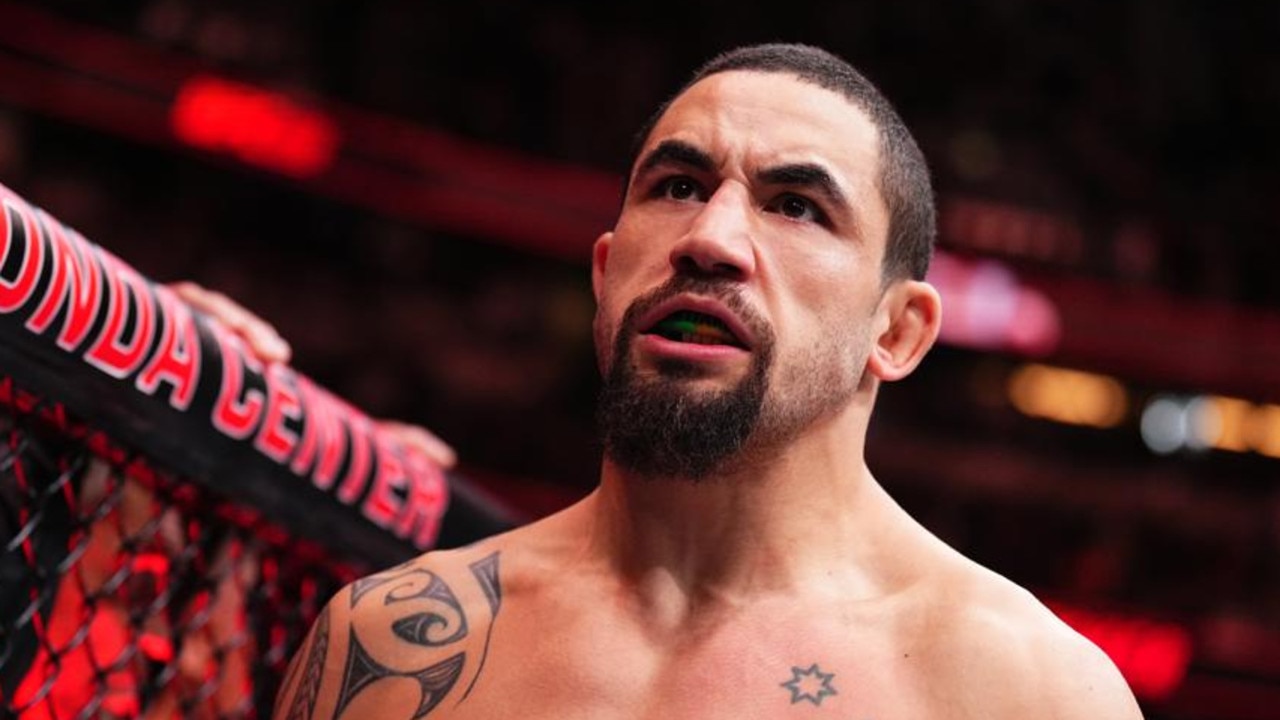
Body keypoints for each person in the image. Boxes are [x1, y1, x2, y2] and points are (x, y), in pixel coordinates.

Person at [189, 43, 1143, 719]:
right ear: (607, 275)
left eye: (798, 206)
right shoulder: (390, 640)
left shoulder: (1029, 693)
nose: (710, 240)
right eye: (678, 186)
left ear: (896, 331)